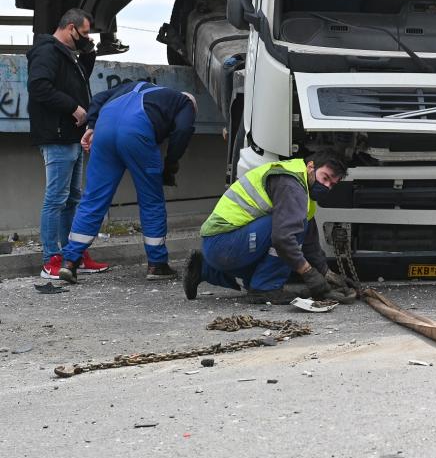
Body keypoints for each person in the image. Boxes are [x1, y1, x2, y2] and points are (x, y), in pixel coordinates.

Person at [57, 82, 197, 283]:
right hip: (137, 131)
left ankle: (69, 262)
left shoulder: (133, 86)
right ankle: (157, 265)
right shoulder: (184, 102)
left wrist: (91, 126)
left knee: (93, 199)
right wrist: (171, 163)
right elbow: (183, 130)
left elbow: (97, 99)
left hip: (104, 130)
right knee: (151, 200)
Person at [182, 150, 355, 304]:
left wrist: (328, 275)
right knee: (288, 233)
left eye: (332, 184)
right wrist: (309, 273)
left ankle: (204, 269)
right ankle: (266, 288)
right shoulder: (291, 185)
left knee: (258, 275)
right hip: (223, 243)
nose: (326, 186)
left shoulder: (302, 189)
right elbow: (283, 239)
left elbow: (310, 243)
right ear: (311, 166)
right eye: (325, 178)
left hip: (220, 246)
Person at [27, 8, 110, 279]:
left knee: (72, 198)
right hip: (57, 135)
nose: (86, 38)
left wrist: (88, 52)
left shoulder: (66, 55)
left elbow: (80, 80)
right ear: (70, 27)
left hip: (70, 136)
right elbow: (38, 86)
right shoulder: (47, 51)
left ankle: (73, 255)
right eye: (84, 34)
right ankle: (51, 259)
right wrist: (73, 107)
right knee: (56, 199)